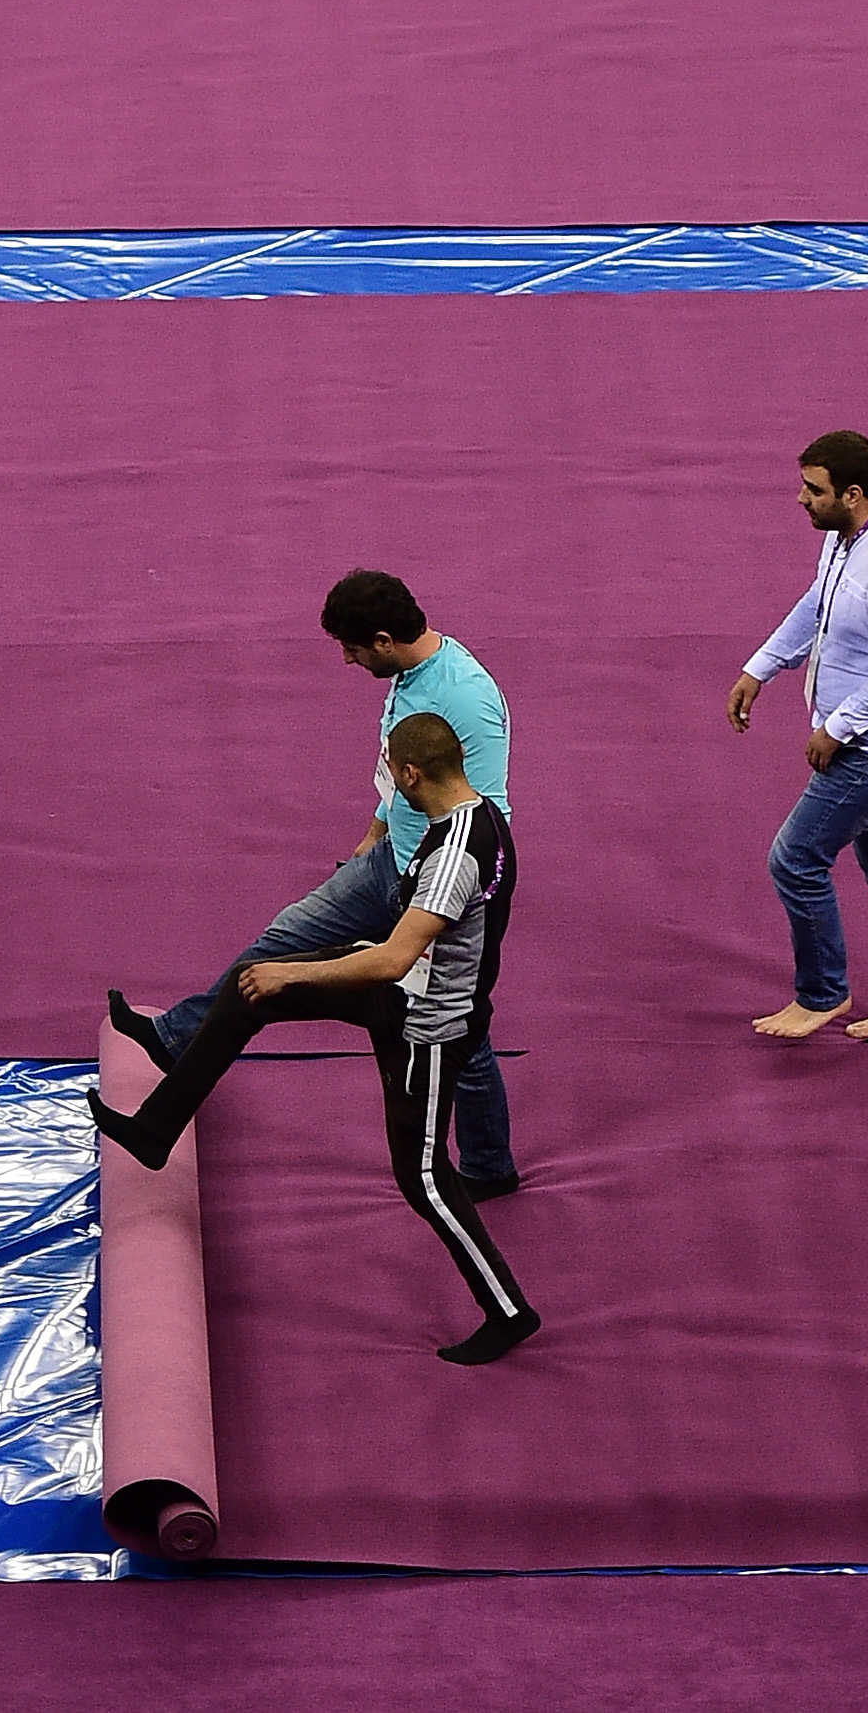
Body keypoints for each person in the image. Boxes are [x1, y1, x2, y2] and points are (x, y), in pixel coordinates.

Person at [94, 709, 539, 1365]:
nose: (389, 781)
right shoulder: (478, 816)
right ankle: (156, 1127)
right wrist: (279, 975)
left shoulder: (451, 859)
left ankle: (508, 1309)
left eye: (392, 771)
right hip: (407, 986)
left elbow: (391, 959)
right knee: (250, 984)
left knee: (422, 1178)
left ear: (413, 772)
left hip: (424, 1022)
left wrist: (295, 970)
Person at [109, 568, 519, 1190]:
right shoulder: (412, 674)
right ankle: (179, 1036)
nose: (347, 661)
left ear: (383, 640)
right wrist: (378, 830)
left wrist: (438, 893)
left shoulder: (466, 698)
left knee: (464, 1034)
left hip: (435, 884)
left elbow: (480, 809)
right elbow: (412, 772)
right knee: (278, 940)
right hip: (389, 862)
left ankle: (490, 1167)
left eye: (352, 649)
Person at [728, 428, 868, 1043]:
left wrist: (838, 726)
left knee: (796, 859)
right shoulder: (846, 539)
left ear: (852, 494)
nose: (801, 499)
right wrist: (762, 667)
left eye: (813, 489)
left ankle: (822, 994)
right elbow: (819, 605)